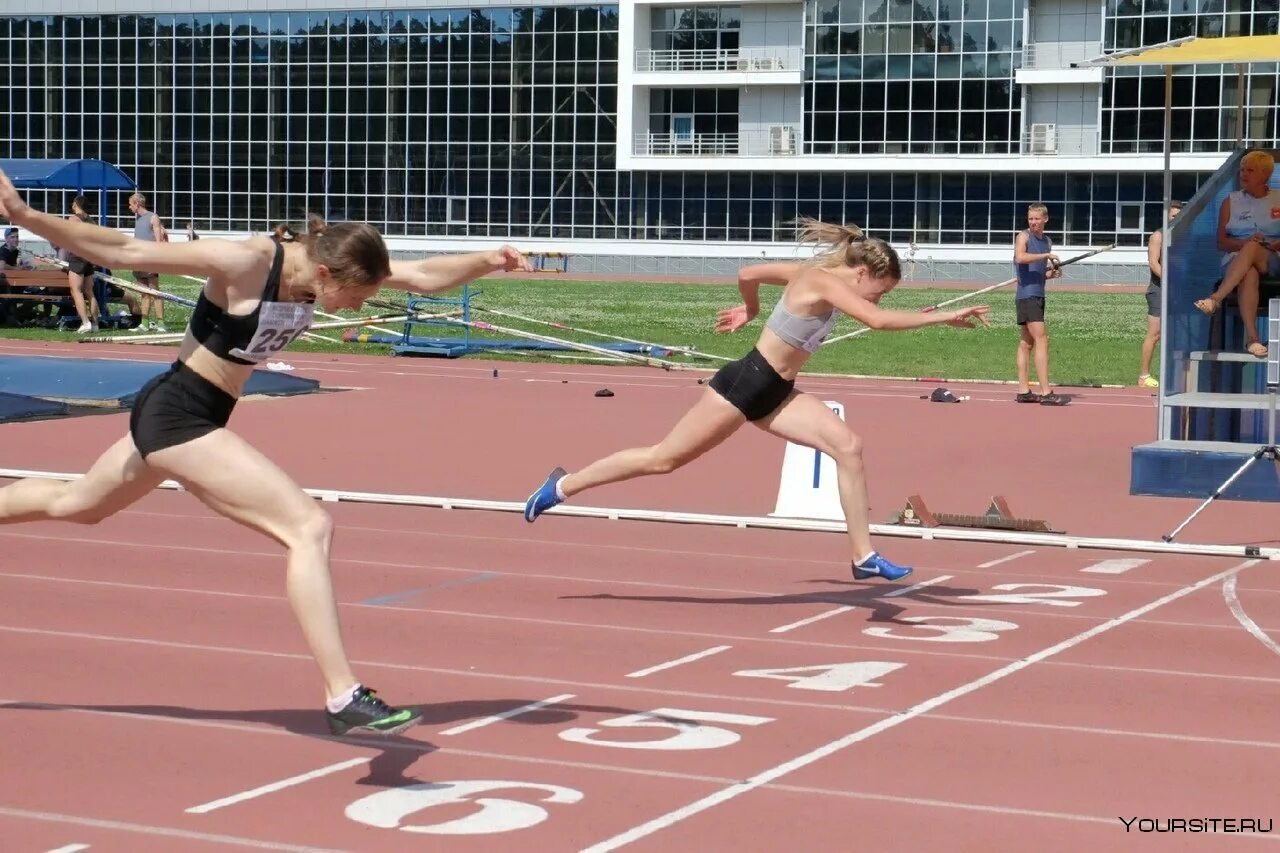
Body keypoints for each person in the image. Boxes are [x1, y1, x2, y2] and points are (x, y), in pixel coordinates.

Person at [0, 169, 532, 735]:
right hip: (178, 416)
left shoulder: (330, 264)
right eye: (355, 297)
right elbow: (128, 250)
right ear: (326, 272)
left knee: (79, 504)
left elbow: (424, 276)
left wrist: (487, 258)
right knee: (307, 526)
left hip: (192, 412)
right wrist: (26, 217)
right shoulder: (250, 261)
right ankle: (343, 695)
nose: (354, 308)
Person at [523, 219, 990, 582]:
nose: (880, 297)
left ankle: (863, 556)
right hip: (745, 384)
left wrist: (750, 307)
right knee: (662, 459)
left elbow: (748, 273)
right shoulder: (825, 282)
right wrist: (945, 317)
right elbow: (878, 322)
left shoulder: (815, 276)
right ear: (863, 272)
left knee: (849, 447)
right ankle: (563, 485)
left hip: (777, 392)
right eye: (881, 289)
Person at [1194, 150, 1280, 358]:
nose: (1243, 174)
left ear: (1265, 175)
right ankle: (1253, 339)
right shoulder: (1230, 201)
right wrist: (1245, 242)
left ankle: (1215, 299)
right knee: (1248, 271)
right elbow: (1221, 242)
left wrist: (1271, 243)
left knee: (1251, 248)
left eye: (1250, 170)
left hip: (1272, 258)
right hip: (1236, 260)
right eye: (1242, 169)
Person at [1012, 203, 1066, 406]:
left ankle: (1024, 391)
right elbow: (1020, 257)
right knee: (1042, 339)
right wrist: (1045, 256)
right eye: (1030, 219)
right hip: (1027, 296)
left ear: (1045, 219)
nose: (1033, 222)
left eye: (1036, 219)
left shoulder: (1047, 241)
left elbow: (1037, 272)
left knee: (1027, 343)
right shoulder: (1023, 237)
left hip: (1037, 294)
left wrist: (1052, 273)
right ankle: (1046, 392)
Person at [1139, 200, 1182, 388]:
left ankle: (1174, 374)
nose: (1176, 219)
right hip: (1159, 289)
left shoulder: (1183, 235)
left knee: (1177, 333)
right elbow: (1153, 263)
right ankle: (1144, 376)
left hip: (1179, 289)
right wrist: (1169, 279)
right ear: (1166, 217)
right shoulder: (1158, 235)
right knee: (1155, 334)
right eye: (1173, 216)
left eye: (1179, 215)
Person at [127, 193, 169, 333]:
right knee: (144, 293)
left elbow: (158, 242)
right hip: (139, 261)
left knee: (155, 291)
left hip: (150, 260)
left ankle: (161, 323)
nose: (129, 207)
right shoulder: (138, 219)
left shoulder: (153, 217)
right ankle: (144, 323)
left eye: (131, 204)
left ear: (137, 204)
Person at [63, 196, 100, 333]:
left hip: (77, 257)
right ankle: (95, 324)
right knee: (90, 292)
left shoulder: (73, 219)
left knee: (76, 291)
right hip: (89, 258)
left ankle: (85, 322)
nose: (71, 204)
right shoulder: (92, 221)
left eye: (73, 202)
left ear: (76, 204)